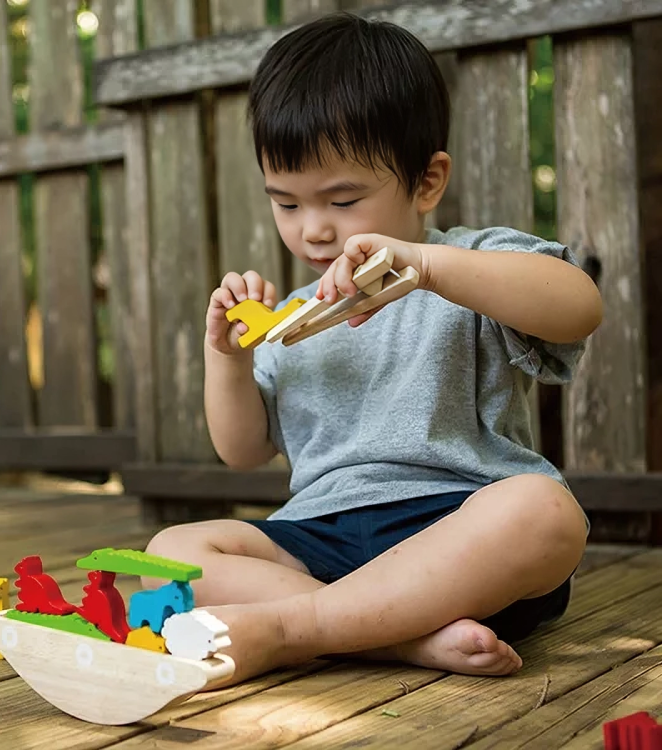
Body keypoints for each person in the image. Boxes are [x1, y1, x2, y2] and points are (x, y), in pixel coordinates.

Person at [144, 11, 602, 686]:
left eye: (343, 198)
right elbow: (242, 451)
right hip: (321, 536)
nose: (315, 229)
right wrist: (229, 357)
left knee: (545, 511)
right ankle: (400, 638)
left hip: (456, 535)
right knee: (171, 550)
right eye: (288, 204)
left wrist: (430, 266)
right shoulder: (291, 316)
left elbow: (577, 307)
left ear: (426, 181)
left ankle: (296, 629)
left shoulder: (466, 263)